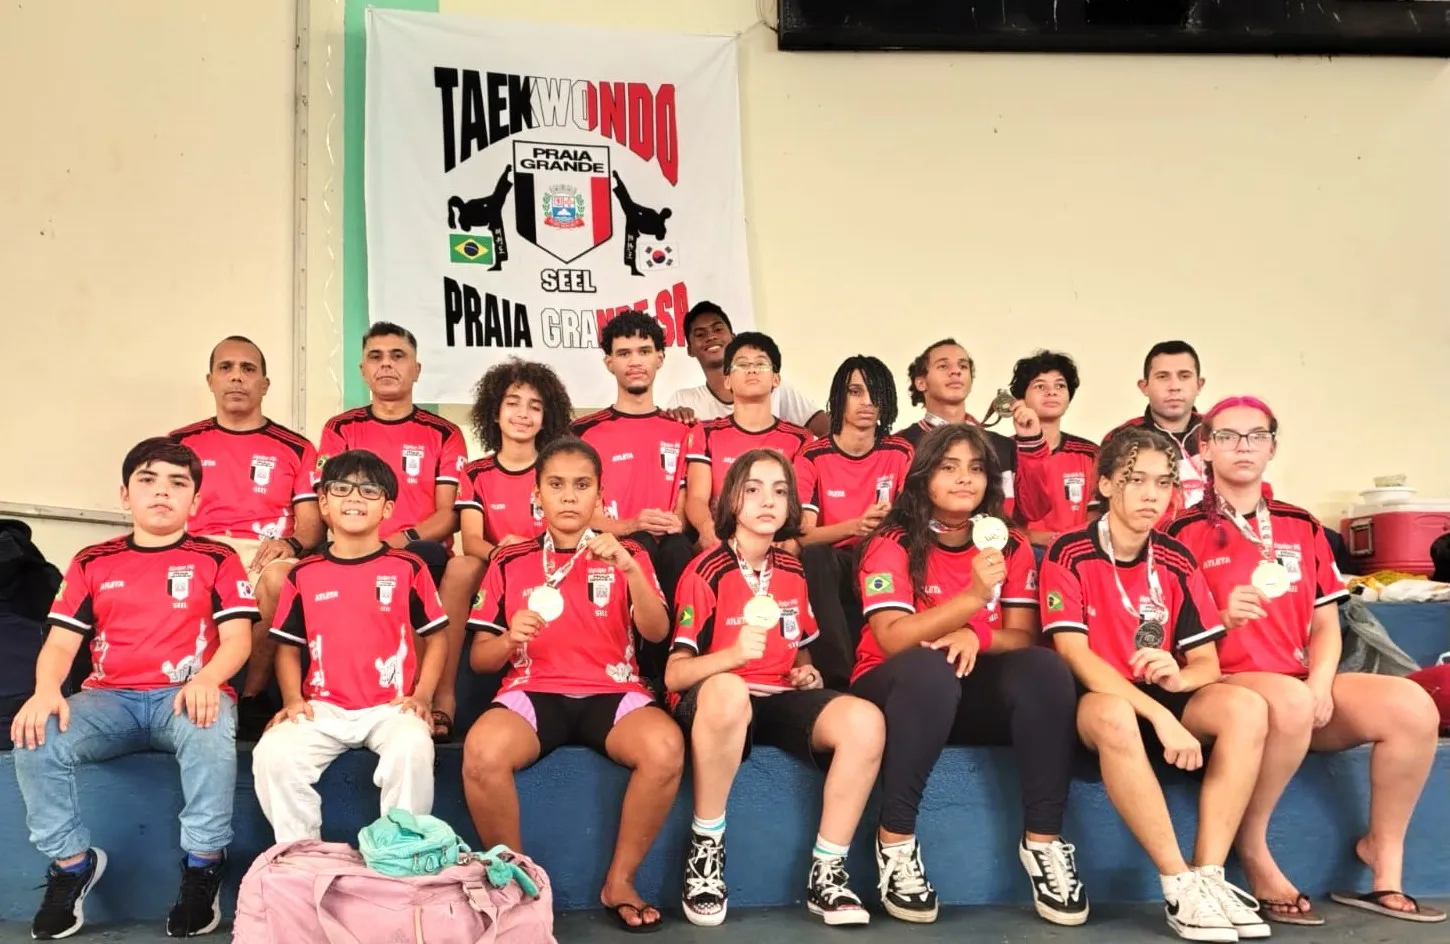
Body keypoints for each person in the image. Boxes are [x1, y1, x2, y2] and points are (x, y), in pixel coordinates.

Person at [1168, 397, 1445, 926]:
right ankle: (1251, 847)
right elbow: (1170, 630)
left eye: (1256, 435)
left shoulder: (1301, 524)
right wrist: (1222, 618)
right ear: (1204, 448)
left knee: (1413, 705)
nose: (1242, 446)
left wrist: (1322, 681)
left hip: (1297, 684)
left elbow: (1325, 623)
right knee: (1291, 700)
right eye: (1227, 436)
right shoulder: (1179, 531)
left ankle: (1383, 861)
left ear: (1273, 445)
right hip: (1224, 685)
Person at [10, 438, 258, 940]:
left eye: (177, 483)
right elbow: (60, 644)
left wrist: (209, 677)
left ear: (195, 500)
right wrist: (44, 691)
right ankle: (73, 864)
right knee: (35, 735)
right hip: (109, 699)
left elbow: (237, 639)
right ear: (126, 494)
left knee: (209, 726)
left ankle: (203, 864)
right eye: (148, 480)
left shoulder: (217, 557)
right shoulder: (92, 560)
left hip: (185, 695)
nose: (161, 493)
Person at [1041, 426, 1272, 943]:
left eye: (1164, 483)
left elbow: (1206, 664)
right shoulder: (1069, 552)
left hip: (1161, 695)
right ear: (1104, 485)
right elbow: (1074, 654)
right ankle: (1176, 882)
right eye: (1136, 480)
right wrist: (1161, 715)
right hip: (1098, 702)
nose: (1151, 495)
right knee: (1116, 714)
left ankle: (1208, 875)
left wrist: (1178, 674)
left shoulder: (1174, 557)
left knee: (1247, 708)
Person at [851, 424, 1086, 928]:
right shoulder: (889, 543)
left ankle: (1043, 843)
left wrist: (975, 636)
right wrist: (972, 602)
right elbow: (893, 637)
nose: (964, 478)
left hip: (966, 687)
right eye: (949, 467)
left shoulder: (1011, 544)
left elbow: (1021, 635)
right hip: (893, 687)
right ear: (923, 476)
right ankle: (895, 841)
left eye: (976, 469)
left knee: (1045, 667)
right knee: (927, 669)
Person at [460, 437, 683, 933]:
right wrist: (506, 638)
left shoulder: (627, 554)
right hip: (532, 691)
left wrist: (630, 567)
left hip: (613, 693)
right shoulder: (509, 557)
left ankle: (620, 882)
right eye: (555, 485)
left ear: (600, 496)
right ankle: (515, 883)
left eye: (581, 486)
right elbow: (479, 659)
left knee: (666, 748)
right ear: (536, 493)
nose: (567, 497)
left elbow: (657, 631)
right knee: (481, 752)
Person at [667, 448, 883, 927]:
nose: (769, 500)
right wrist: (732, 658)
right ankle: (706, 851)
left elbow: (798, 650)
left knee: (865, 721)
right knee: (726, 689)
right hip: (718, 705)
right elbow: (675, 675)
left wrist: (807, 672)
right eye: (754, 489)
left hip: (779, 697)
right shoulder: (705, 571)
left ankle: (827, 872)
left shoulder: (791, 571)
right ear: (731, 502)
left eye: (780, 491)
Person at [252, 450, 447, 844]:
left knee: (413, 746)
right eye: (341, 489)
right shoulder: (303, 574)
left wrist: (423, 695)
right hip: (323, 706)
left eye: (369, 490)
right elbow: (287, 647)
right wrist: (292, 699)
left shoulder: (408, 568)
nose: (354, 498)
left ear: (388, 507)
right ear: (323, 502)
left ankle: (400, 851)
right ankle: (301, 853)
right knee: (273, 752)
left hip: (391, 705)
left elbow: (436, 636)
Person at [318, 321, 471, 741]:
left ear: (417, 369)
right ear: (362, 370)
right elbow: (327, 501)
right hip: (350, 548)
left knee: (418, 563)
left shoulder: (444, 433)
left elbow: (449, 514)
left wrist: (396, 541)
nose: (387, 365)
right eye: (376, 357)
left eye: (398, 356)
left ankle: (436, 699)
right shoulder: (340, 429)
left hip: (418, 549)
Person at [171, 335, 325, 740]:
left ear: (265, 384)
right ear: (210, 380)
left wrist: (290, 544)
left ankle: (252, 697)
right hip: (199, 548)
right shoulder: (180, 444)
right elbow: (163, 508)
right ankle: (167, 691)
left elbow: (311, 525)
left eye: (248, 369)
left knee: (283, 578)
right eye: (226, 368)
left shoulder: (295, 447)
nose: (237, 378)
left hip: (264, 551)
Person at [573, 311, 697, 682]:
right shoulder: (583, 432)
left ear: (660, 356)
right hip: (614, 547)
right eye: (624, 353)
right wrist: (630, 525)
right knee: (640, 542)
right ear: (609, 362)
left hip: (671, 547)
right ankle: (640, 674)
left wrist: (681, 520)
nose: (635, 361)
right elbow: (578, 512)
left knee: (675, 545)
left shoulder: (685, 429)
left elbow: (690, 496)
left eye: (644, 351)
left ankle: (676, 675)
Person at [446, 359, 574, 708]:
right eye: (513, 403)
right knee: (461, 567)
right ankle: (443, 696)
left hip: (551, 569)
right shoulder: (475, 472)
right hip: (496, 568)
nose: (523, 414)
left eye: (535, 406)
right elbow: (472, 540)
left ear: (547, 417)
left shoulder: (557, 470)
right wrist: (503, 555)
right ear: (495, 412)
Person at [794, 355, 912, 689]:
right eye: (856, 392)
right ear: (838, 398)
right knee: (814, 556)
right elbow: (805, 536)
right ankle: (839, 680)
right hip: (837, 557)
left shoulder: (899, 451)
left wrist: (887, 527)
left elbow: (914, 520)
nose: (867, 403)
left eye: (876, 394)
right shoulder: (814, 456)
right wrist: (856, 526)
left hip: (884, 558)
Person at [894, 338, 1053, 526]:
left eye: (963, 366)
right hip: (922, 551)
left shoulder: (1003, 446)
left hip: (997, 553)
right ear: (921, 383)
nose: (956, 371)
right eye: (943, 366)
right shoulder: (899, 447)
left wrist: (1031, 441)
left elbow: (1035, 511)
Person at [684, 332, 813, 553]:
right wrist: (707, 529)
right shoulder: (706, 432)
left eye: (761, 364)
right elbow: (696, 497)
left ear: (776, 378)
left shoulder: (800, 439)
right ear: (727, 380)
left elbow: (799, 504)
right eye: (742, 365)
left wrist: (790, 541)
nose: (752, 370)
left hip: (776, 543)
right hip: (722, 541)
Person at [664, 301, 830, 437]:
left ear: (733, 337)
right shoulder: (683, 400)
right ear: (690, 349)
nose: (711, 336)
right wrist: (676, 422)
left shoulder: (773, 387)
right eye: (700, 334)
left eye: (718, 329)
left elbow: (828, 432)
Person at [1098, 341, 1208, 518]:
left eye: (1184, 376)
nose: (1174, 386)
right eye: (1163, 377)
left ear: (1199, 385)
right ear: (1144, 387)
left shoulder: (1222, 432)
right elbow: (1104, 510)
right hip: (1153, 542)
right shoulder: (1122, 439)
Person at [1009, 350, 1098, 553]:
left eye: (1060, 385)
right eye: (1040, 386)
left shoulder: (1090, 453)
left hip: (1077, 553)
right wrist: (1034, 537)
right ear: (1021, 398)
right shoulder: (1002, 452)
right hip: (1022, 553)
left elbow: (1097, 518)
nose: (1052, 392)